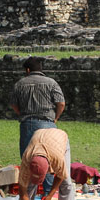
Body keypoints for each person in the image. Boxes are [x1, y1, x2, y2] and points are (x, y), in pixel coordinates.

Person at [10, 57, 65, 192]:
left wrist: (21, 114)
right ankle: (48, 194)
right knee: (49, 160)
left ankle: (28, 196)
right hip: (48, 125)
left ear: (28, 70)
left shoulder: (20, 84)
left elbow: (13, 104)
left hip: (28, 124)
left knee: (30, 161)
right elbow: (61, 103)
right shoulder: (51, 83)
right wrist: (56, 118)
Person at [14, 127, 76, 200]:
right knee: (28, 185)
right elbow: (22, 190)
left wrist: (50, 195)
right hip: (39, 135)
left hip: (58, 138)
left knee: (66, 183)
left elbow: (60, 176)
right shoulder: (27, 159)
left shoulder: (58, 158)